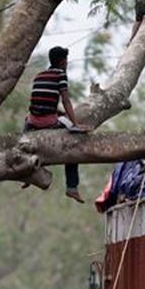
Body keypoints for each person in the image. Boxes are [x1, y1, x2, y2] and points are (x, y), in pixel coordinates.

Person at [24, 46, 89, 203]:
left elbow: (42, 101)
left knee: (24, 140)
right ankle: (72, 187)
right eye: (66, 60)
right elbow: (66, 100)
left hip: (32, 121)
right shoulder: (61, 75)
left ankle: (26, 172)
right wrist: (75, 124)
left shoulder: (39, 75)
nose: (67, 63)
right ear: (62, 62)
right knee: (74, 141)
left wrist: (57, 112)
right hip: (49, 122)